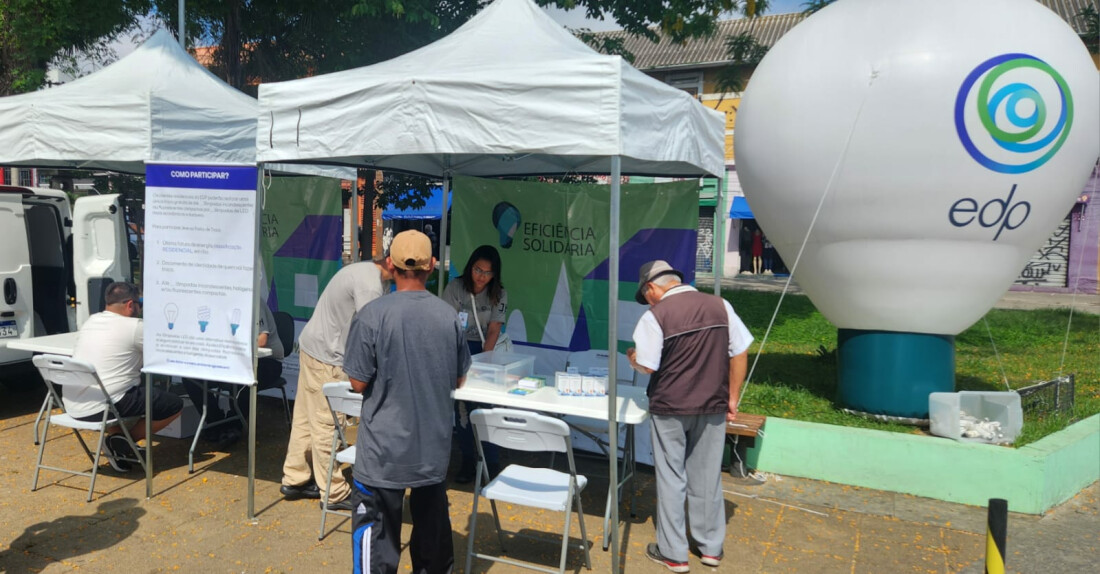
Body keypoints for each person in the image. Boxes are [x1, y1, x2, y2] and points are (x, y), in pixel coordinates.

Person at [344, 230, 471, 574]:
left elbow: (357, 382)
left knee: (377, 550)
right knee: (432, 547)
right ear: (432, 265)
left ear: (390, 264)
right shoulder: (448, 317)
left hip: (382, 453)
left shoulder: (372, 315)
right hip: (431, 451)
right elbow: (459, 378)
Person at [626, 260, 753, 571]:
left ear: (652, 288)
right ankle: (710, 548)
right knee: (708, 477)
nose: (649, 301)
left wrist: (632, 357)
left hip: (670, 406)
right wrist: (733, 396)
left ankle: (673, 553)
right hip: (713, 404)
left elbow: (648, 364)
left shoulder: (655, 316)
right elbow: (740, 350)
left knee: (671, 477)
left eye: (647, 295)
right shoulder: (720, 305)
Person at [279, 257, 390, 509]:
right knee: (328, 424)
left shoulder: (366, 272)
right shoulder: (371, 285)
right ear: (393, 262)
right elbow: (370, 333)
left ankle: (295, 476)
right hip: (329, 357)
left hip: (314, 347)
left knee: (306, 418)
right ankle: (334, 492)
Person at [69, 282, 183, 472]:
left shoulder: (91, 321)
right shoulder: (135, 327)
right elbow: (166, 351)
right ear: (131, 305)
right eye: (140, 304)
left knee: (125, 388)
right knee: (174, 405)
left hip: (75, 404)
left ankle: (118, 441)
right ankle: (123, 442)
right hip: (103, 406)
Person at [441, 244, 507, 483]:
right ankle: (468, 460)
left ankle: (491, 463)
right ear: (470, 267)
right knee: (463, 413)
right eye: (477, 270)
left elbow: (494, 329)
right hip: (458, 349)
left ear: (494, 274)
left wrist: (483, 362)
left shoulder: (499, 293)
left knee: (485, 410)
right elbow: (448, 325)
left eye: (487, 272)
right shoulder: (455, 287)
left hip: (484, 353)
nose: (481, 276)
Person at [182, 302, 285, 448]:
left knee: (244, 381)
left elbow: (261, 340)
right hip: (233, 360)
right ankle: (215, 422)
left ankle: (233, 426)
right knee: (190, 378)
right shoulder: (220, 302)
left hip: (267, 362)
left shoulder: (254, 300)